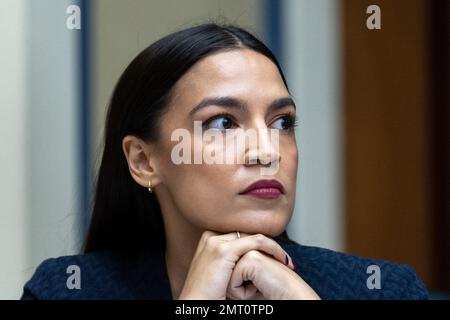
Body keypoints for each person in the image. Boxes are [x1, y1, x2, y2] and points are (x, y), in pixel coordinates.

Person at [21, 23, 428, 300]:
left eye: (282, 122)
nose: (267, 151)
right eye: (223, 123)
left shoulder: (383, 289)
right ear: (144, 160)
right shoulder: (67, 290)